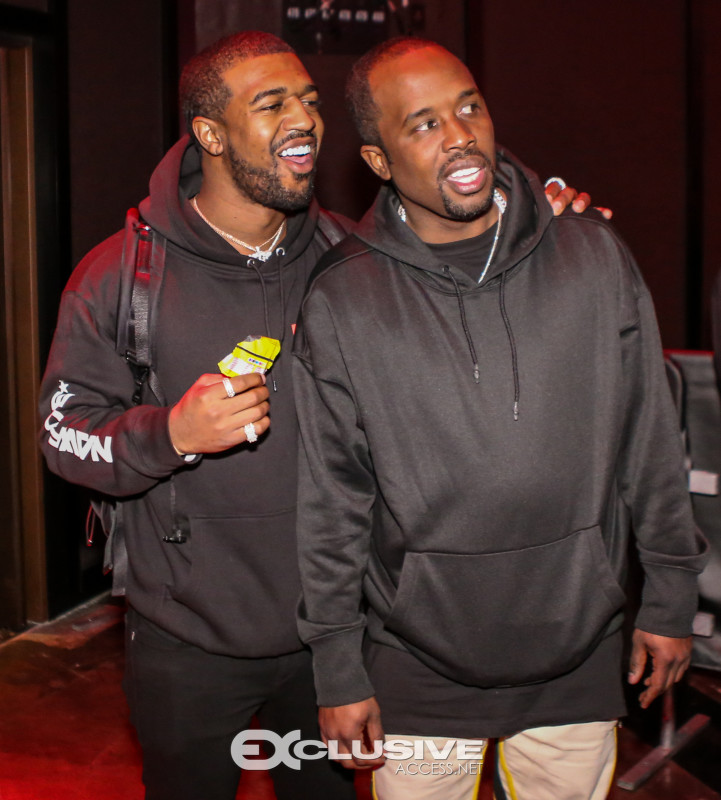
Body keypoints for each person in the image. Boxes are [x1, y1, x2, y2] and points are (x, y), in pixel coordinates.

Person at [39, 30, 594, 800]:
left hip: (332, 645)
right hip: (186, 644)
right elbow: (63, 438)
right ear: (210, 135)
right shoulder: (121, 277)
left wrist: (537, 216)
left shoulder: (353, 261)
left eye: (307, 101)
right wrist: (170, 435)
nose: (304, 119)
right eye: (272, 105)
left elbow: (468, 262)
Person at [293, 37, 709, 800]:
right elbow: (332, 500)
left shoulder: (591, 255)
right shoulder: (343, 297)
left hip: (577, 648)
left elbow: (648, 439)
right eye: (422, 124)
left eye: (468, 108)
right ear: (378, 160)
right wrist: (337, 665)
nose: (458, 136)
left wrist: (669, 596)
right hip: (415, 665)